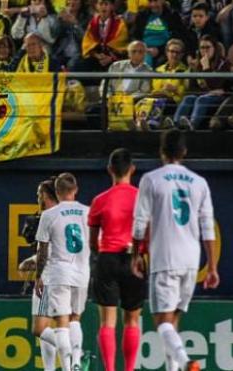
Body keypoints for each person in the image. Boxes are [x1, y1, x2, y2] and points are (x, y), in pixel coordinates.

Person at [131, 129, 219, 371]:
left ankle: (186, 362)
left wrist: (137, 255)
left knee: (161, 321)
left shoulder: (151, 179)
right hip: (191, 260)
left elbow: (140, 223)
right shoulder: (200, 182)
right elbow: (207, 226)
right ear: (184, 152)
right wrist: (211, 267)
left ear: (161, 152)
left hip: (165, 258)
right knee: (173, 320)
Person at [88, 148, 145, 371]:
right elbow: (147, 232)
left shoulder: (100, 200)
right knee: (131, 320)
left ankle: (110, 369)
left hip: (107, 259)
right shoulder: (141, 198)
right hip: (134, 258)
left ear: (110, 169)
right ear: (132, 169)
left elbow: (94, 240)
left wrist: (101, 254)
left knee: (107, 322)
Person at [34, 172, 90, 371]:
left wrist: (39, 276)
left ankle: (67, 368)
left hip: (59, 273)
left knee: (61, 322)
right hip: (82, 272)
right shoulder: (88, 212)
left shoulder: (49, 215)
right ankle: (76, 362)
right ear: (75, 190)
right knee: (75, 318)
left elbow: (42, 252)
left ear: (57, 192)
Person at [18, 177, 59, 371]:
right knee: (54, 326)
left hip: (49, 277)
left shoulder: (48, 216)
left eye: (39, 194)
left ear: (47, 195)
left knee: (39, 328)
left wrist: (37, 271)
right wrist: (33, 260)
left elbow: (47, 251)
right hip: (70, 277)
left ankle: (76, 353)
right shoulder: (64, 215)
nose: (37, 198)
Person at [172, 35, 230, 130]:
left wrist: (206, 68)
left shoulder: (223, 63)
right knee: (188, 98)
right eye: (202, 48)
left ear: (214, 48)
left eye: (208, 47)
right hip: (205, 94)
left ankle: (192, 125)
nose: (205, 50)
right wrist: (207, 91)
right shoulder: (196, 64)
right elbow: (192, 88)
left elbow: (216, 85)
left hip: (220, 97)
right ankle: (175, 124)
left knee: (201, 100)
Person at [76, 0, 128, 85]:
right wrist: (97, 55)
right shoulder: (93, 22)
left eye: (106, 4)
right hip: (97, 56)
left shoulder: (119, 23)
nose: (103, 7)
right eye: (101, 4)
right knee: (77, 65)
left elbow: (121, 45)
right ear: (96, 6)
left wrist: (110, 58)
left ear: (111, 6)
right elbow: (88, 42)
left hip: (113, 57)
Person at [131, 0, 195, 67]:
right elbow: (135, 35)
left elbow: (179, 37)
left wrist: (159, 50)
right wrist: (143, 48)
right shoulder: (142, 15)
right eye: (150, 1)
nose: (153, 4)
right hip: (144, 50)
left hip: (165, 51)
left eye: (156, 1)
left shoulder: (172, 16)